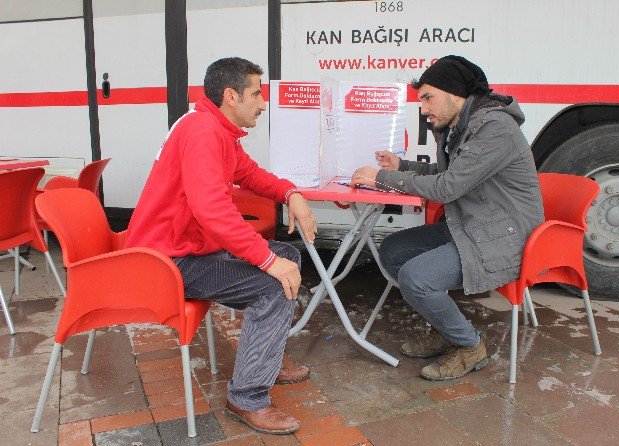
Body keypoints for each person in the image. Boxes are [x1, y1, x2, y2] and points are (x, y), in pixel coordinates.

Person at [125, 57, 318, 434]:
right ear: (231, 96)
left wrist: (289, 192)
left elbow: (249, 174)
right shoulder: (202, 133)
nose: (263, 103)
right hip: (168, 262)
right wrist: (264, 260)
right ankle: (246, 397)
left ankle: (265, 357)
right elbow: (212, 211)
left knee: (288, 256)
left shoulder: (216, 129)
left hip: (190, 251)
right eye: (256, 93)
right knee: (274, 282)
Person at [351, 55, 544, 381]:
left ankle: (470, 346)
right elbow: (446, 174)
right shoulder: (461, 126)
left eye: (428, 97)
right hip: (474, 226)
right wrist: (401, 166)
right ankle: (448, 330)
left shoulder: (495, 128)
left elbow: (447, 186)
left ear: (456, 94)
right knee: (393, 249)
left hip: (506, 237)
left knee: (416, 277)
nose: (423, 108)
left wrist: (382, 178)